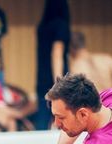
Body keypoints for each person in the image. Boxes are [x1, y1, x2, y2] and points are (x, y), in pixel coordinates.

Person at [34, 0, 71, 130]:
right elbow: (57, 54)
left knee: (42, 120)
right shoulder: (61, 25)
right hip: (55, 80)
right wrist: (59, 84)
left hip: (42, 79)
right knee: (64, 121)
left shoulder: (42, 27)